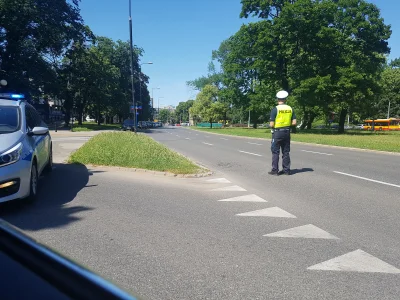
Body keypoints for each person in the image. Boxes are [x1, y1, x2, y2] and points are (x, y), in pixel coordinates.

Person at [268, 90, 296, 176]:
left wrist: (272, 125)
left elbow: (272, 124)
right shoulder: (290, 109)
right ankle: (286, 170)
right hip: (287, 132)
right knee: (286, 151)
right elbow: (294, 122)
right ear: (285, 99)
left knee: (275, 151)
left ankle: (275, 170)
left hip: (277, 133)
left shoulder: (275, 109)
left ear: (278, 99)